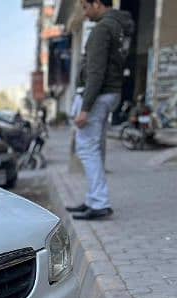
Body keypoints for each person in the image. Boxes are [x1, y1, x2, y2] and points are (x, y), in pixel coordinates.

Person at [68, 0, 134, 220]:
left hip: (98, 95)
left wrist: (85, 108)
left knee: (87, 148)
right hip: (112, 92)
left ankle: (98, 202)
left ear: (97, 3)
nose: (85, 14)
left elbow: (96, 71)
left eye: (86, 8)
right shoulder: (120, 27)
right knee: (95, 147)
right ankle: (93, 198)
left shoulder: (102, 29)